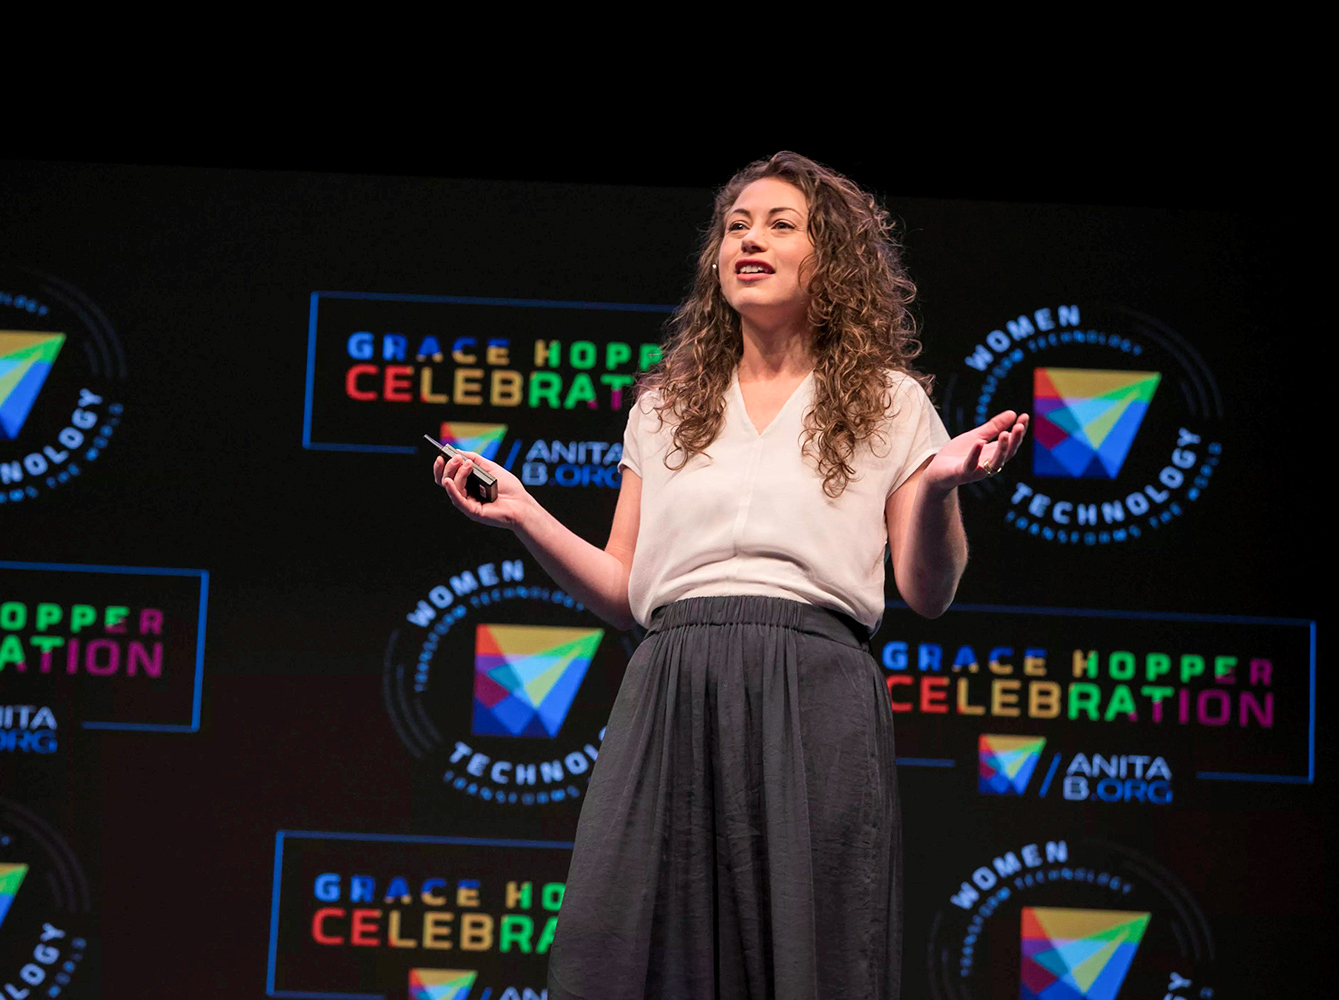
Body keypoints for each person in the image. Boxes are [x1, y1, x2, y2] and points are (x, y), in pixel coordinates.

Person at [432, 151, 1027, 1000]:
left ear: (830, 258)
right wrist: (526, 512)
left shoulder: (891, 403)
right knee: (622, 945)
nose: (751, 240)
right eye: (737, 226)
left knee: (809, 952)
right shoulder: (665, 404)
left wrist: (934, 487)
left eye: (782, 225)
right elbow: (627, 589)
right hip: (671, 680)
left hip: (813, 686)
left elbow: (928, 592)